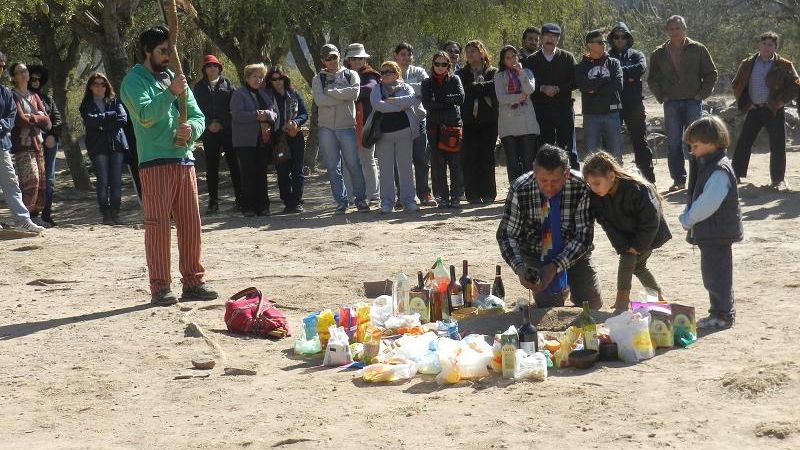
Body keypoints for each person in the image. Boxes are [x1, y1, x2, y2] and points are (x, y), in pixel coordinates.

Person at [120, 26, 217, 306]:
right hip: (154, 162)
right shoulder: (133, 81)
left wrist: (192, 130)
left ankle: (193, 281)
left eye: (170, 51)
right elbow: (146, 115)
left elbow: (198, 115)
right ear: (147, 51)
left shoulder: (175, 78)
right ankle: (160, 286)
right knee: (158, 225)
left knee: (191, 224)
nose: (168, 57)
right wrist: (171, 94)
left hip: (184, 159)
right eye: (163, 51)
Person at [497, 144, 602, 309]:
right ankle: (558, 289)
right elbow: (507, 234)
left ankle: (566, 282)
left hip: (574, 252)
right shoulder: (520, 189)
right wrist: (520, 268)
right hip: (535, 253)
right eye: (543, 180)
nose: (549, 186)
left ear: (566, 174)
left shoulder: (581, 187)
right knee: (549, 308)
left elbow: (583, 237)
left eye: (555, 181)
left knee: (592, 305)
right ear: (534, 171)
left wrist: (554, 266)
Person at [583, 151, 671, 311]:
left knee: (628, 262)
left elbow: (650, 221)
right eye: (590, 184)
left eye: (596, 183)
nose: (593, 188)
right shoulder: (597, 196)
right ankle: (658, 298)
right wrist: (622, 245)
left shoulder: (637, 189)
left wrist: (636, 246)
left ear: (610, 176)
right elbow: (606, 223)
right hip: (627, 236)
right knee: (638, 266)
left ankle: (622, 301)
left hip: (648, 235)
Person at [679, 116, 742, 329]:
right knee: (712, 275)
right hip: (711, 233)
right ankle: (719, 311)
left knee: (717, 277)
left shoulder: (718, 170)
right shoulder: (707, 165)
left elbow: (708, 203)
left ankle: (723, 314)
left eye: (695, 146)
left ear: (712, 143)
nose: (692, 151)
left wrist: (688, 219)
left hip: (717, 233)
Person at [647, 15, 718, 192]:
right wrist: (661, 96)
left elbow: (711, 73)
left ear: (684, 29)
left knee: (697, 141)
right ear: (666, 31)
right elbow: (652, 78)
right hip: (671, 103)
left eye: (678, 28)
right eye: (671, 29)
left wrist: (701, 95)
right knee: (673, 143)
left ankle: (700, 177)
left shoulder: (698, 49)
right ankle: (679, 179)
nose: (674, 32)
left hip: (693, 102)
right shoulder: (659, 53)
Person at [731, 31, 799, 191]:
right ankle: (735, 175)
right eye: (764, 44)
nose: (767, 47)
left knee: (778, 146)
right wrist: (746, 104)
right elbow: (737, 84)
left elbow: (796, 85)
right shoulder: (747, 63)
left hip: (774, 109)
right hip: (754, 108)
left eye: (771, 45)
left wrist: (781, 102)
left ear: (776, 47)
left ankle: (778, 180)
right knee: (744, 142)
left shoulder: (785, 65)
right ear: (759, 45)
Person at [311, 44, 370, 214]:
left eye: (334, 57)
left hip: (347, 127)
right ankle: (341, 202)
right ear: (323, 61)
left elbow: (354, 94)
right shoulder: (318, 79)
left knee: (353, 164)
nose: (332, 61)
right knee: (332, 166)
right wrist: (342, 96)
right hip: (326, 128)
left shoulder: (351, 75)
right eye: (328, 58)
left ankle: (361, 200)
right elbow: (320, 101)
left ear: (339, 56)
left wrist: (332, 91)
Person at [523, 23, 579, 169]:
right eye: (547, 36)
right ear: (541, 38)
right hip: (541, 112)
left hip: (563, 109)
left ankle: (573, 184)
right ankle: (546, 184)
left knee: (568, 150)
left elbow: (576, 81)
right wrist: (541, 88)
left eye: (554, 36)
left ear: (558, 39)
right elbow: (526, 84)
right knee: (544, 150)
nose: (550, 39)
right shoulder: (531, 60)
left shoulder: (567, 57)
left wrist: (559, 88)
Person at [370, 61, 422, 214]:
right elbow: (377, 105)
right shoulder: (377, 88)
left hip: (404, 133)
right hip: (383, 135)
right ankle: (386, 203)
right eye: (383, 72)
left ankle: (409, 201)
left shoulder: (406, 87)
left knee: (406, 169)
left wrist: (394, 102)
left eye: (390, 71)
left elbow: (412, 99)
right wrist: (400, 106)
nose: (386, 74)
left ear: (397, 73)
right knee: (385, 171)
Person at [0, 52, 44, 234]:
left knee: (11, 183)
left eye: (1, 65)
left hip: (2, 144)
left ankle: (22, 220)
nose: (0, 68)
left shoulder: (4, 93)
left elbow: (11, 117)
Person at [192, 54, 241, 214]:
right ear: (204, 70)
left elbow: (233, 108)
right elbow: (196, 109)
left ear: (219, 68)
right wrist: (208, 125)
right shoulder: (198, 88)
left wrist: (221, 123)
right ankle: (213, 203)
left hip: (227, 131)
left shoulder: (228, 85)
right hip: (209, 133)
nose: (212, 68)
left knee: (234, 165)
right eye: (208, 66)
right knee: (211, 168)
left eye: (214, 66)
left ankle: (240, 200)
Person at [79, 73, 129, 225]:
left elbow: (123, 119)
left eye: (102, 84)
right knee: (103, 181)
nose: (99, 87)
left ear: (107, 86)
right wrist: (110, 116)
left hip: (116, 145)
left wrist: (102, 123)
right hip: (98, 147)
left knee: (116, 181)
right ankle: (105, 213)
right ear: (90, 86)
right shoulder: (86, 104)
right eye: (96, 83)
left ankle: (115, 212)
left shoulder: (115, 100)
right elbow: (90, 121)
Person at [608, 22, 656, 183]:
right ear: (612, 39)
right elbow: (607, 76)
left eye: (623, 36)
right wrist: (628, 75)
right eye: (616, 37)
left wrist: (618, 73)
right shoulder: (606, 56)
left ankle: (649, 181)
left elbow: (641, 68)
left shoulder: (637, 54)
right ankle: (615, 182)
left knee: (640, 142)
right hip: (613, 104)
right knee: (613, 144)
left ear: (628, 38)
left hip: (634, 105)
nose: (620, 40)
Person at [229, 63, 277, 217]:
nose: (258, 79)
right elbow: (237, 115)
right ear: (247, 78)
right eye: (255, 76)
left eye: (260, 77)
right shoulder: (239, 94)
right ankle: (248, 207)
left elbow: (274, 114)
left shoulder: (264, 94)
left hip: (262, 141)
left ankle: (263, 206)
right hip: (244, 141)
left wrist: (267, 115)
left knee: (261, 173)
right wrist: (256, 114)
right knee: (248, 174)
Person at [421, 51, 465, 209]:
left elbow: (460, 98)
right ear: (432, 64)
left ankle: (455, 197)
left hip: (453, 126)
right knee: (439, 165)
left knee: (455, 164)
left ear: (449, 65)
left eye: (444, 64)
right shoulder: (426, 82)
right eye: (437, 64)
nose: (440, 67)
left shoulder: (455, 79)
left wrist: (439, 98)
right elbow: (427, 104)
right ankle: (443, 197)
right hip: (434, 128)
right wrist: (447, 100)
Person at [394, 42, 436, 207]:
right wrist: (412, 91)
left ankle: (424, 193)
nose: (406, 57)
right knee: (400, 162)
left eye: (409, 54)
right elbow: (388, 90)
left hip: (418, 119)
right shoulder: (390, 71)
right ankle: (402, 196)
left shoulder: (419, 71)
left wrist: (402, 88)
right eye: (403, 54)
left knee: (421, 159)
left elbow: (427, 88)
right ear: (395, 56)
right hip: (398, 122)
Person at [457, 40, 498, 204]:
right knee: (470, 157)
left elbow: (494, 88)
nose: (470, 54)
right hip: (468, 121)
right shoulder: (461, 74)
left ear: (482, 53)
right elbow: (463, 92)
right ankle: (472, 194)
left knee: (487, 157)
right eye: (468, 52)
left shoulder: (492, 72)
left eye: (473, 51)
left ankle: (488, 193)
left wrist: (475, 88)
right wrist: (479, 88)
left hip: (489, 121)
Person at [9, 62, 50, 221]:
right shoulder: (13, 96)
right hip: (22, 145)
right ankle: (22, 219)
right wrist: (38, 117)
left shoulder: (35, 96)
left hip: (38, 144)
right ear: (14, 77)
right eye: (20, 72)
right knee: (30, 181)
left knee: (41, 184)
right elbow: (20, 120)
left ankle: (35, 217)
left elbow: (47, 121)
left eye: (25, 70)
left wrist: (33, 117)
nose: (24, 73)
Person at [576, 30, 624, 162]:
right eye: (600, 42)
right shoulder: (580, 67)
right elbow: (584, 87)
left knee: (616, 155)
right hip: (591, 115)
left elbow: (618, 85)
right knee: (592, 157)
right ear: (589, 45)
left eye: (604, 42)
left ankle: (619, 182)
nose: (604, 44)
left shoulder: (614, 63)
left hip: (612, 113)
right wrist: (604, 81)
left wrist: (594, 87)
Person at [494, 45, 539, 184]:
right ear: (503, 61)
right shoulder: (499, 76)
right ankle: (515, 190)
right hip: (508, 123)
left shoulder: (527, 72)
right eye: (508, 57)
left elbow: (529, 89)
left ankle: (529, 189)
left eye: (514, 55)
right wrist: (519, 97)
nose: (512, 59)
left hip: (526, 121)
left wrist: (521, 73)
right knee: (512, 160)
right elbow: (502, 98)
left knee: (528, 159)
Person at [266, 65, 307, 213]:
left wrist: (295, 122)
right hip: (277, 138)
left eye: (280, 78)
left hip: (295, 136)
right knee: (282, 171)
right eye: (274, 79)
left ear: (285, 78)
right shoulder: (267, 96)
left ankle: (297, 201)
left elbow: (304, 114)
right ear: (270, 80)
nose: (277, 81)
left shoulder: (294, 94)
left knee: (297, 170)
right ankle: (287, 201)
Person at [343, 43, 380, 204]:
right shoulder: (342, 75)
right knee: (347, 161)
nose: (358, 61)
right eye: (354, 58)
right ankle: (350, 196)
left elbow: (370, 89)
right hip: (345, 123)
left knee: (367, 159)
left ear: (365, 59)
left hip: (365, 124)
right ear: (349, 60)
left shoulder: (370, 74)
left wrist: (347, 93)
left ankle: (373, 195)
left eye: (360, 58)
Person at [27, 65, 62, 226]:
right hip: (31, 145)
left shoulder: (48, 99)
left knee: (49, 180)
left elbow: (57, 119)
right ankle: (32, 215)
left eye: (39, 79)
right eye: (33, 78)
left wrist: (53, 136)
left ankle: (46, 214)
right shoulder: (23, 98)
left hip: (49, 145)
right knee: (34, 180)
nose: (36, 81)